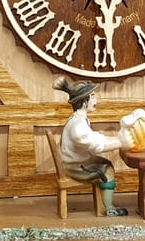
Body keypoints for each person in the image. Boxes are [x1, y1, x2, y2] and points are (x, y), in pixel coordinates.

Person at [53, 76, 129, 217]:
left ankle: (106, 205)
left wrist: (117, 139)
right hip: (74, 166)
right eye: (93, 97)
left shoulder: (79, 120)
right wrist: (120, 142)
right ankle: (107, 208)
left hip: (77, 161)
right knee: (107, 170)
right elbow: (96, 146)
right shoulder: (77, 127)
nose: (95, 101)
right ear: (84, 102)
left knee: (106, 163)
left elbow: (95, 137)